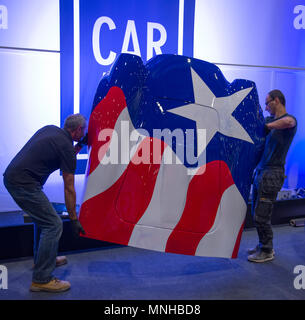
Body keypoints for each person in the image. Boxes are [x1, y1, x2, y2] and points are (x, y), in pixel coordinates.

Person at [3, 114, 88, 292]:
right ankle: (42, 279)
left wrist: (79, 146)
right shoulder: (65, 146)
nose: (85, 131)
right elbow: (69, 188)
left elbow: (63, 154)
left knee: (43, 220)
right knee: (54, 224)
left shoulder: (52, 131)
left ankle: (43, 260)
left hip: (15, 178)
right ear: (78, 130)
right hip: (24, 184)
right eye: (84, 129)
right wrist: (74, 219)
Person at [248, 89, 297, 263]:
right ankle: (262, 244)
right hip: (261, 172)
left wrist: (267, 126)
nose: (266, 107)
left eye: (267, 103)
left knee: (262, 214)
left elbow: (289, 122)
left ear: (277, 100)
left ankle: (267, 250)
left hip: (273, 173)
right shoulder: (268, 120)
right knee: (256, 213)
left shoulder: (288, 120)